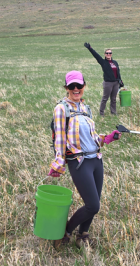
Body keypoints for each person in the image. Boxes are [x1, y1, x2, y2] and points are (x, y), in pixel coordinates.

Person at [48, 71, 121, 248]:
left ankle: (83, 234)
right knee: (93, 205)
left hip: (96, 159)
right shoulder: (61, 109)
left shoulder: (85, 108)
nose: (75, 89)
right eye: (71, 86)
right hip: (79, 162)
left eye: (79, 86)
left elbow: (93, 137)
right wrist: (59, 161)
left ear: (84, 86)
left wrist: (107, 138)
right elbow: (60, 138)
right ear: (66, 88)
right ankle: (65, 232)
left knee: (95, 200)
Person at [84, 42, 123, 116]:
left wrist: (120, 80)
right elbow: (96, 55)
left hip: (116, 82)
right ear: (105, 54)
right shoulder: (103, 62)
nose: (108, 54)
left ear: (111, 54)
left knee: (113, 99)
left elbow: (118, 72)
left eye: (110, 53)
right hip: (108, 83)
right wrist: (90, 48)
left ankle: (113, 112)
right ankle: (101, 113)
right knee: (105, 98)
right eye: (107, 53)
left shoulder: (115, 62)